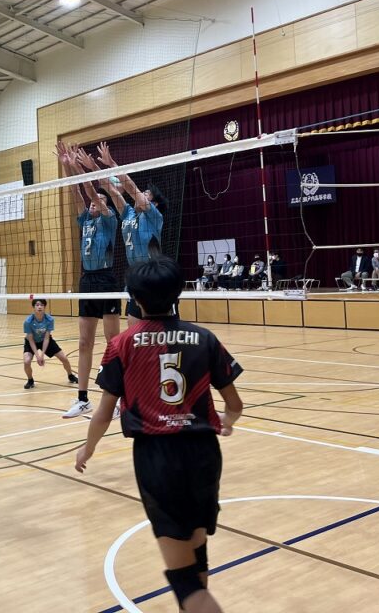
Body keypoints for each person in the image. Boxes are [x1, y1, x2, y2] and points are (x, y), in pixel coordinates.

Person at [75, 256, 244, 613]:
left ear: (135, 300)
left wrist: (87, 449)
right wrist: (227, 420)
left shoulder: (122, 344)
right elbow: (235, 404)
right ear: (178, 293)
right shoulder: (204, 338)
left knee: (185, 582)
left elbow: (103, 413)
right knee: (196, 555)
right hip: (204, 453)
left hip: (158, 459)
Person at [56, 142, 121, 419]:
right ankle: (82, 399)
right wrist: (67, 166)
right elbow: (76, 191)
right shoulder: (85, 220)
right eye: (93, 202)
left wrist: (80, 168)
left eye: (99, 200)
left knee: (113, 342)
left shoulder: (109, 219)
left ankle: (119, 397)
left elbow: (91, 191)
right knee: (84, 342)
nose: (94, 203)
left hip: (106, 281)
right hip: (87, 281)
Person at [94, 141, 167, 323]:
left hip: (154, 276)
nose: (141, 195)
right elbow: (110, 189)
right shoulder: (127, 213)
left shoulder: (154, 216)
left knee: (160, 331)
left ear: (154, 203)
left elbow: (132, 189)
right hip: (134, 277)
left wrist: (112, 164)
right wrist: (94, 167)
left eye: (146, 194)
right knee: (134, 330)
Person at [22, 298, 78, 389]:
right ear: (33, 307)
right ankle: (30, 380)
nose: (39, 307)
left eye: (42, 305)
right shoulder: (28, 321)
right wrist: (37, 356)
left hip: (45, 340)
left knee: (64, 358)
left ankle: (70, 375)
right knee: (26, 361)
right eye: (37, 305)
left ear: (44, 307)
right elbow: (30, 340)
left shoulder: (49, 319)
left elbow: (47, 338)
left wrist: (42, 355)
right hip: (31, 342)